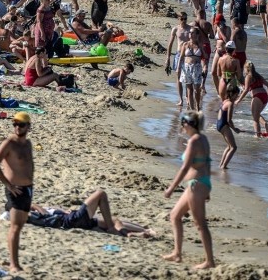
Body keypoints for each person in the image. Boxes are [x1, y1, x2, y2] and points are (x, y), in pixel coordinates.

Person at [162, 111, 214, 270]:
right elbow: (208, 163)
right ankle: (177, 253)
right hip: (201, 184)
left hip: (196, 185)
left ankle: (210, 261)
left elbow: (185, 168)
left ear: (190, 124)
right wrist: (208, 189)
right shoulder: (203, 139)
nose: (182, 126)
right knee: (175, 215)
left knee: (200, 224)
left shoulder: (194, 141)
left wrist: (171, 188)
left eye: (183, 123)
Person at [0, 112, 35, 274]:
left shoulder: (28, 144)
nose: (17, 127)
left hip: (28, 190)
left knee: (20, 226)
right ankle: (13, 264)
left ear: (28, 127)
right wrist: (8, 185)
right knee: (15, 228)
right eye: (15, 124)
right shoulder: (10, 143)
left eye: (21, 124)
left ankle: (15, 261)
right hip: (15, 190)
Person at [24, 189, 154, 237]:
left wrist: (65, 210)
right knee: (100, 194)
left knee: (116, 220)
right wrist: (34, 205)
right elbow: (46, 215)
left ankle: (143, 231)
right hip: (70, 221)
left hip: (71, 218)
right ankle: (114, 230)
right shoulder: (32, 213)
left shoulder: (39, 211)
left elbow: (54, 212)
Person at [236, 61, 268, 137]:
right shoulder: (258, 75)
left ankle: (257, 136)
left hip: (257, 97)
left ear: (246, 69)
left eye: (244, 69)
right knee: (256, 114)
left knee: (255, 119)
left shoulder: (248, 77)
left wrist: (238, 100)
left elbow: (246, 90)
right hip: (264, 96)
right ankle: (266, 125)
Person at [216, 84, 241, 169]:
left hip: (219, 124)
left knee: (229, 146)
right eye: (236, 95)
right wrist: (235, 129)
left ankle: (221, 164)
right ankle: (224, 166)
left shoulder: (225, 101)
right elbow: (229, 120)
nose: (237, 97)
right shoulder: (230, 104)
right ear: (233, 94)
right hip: (224, 125)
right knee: (234, 147)